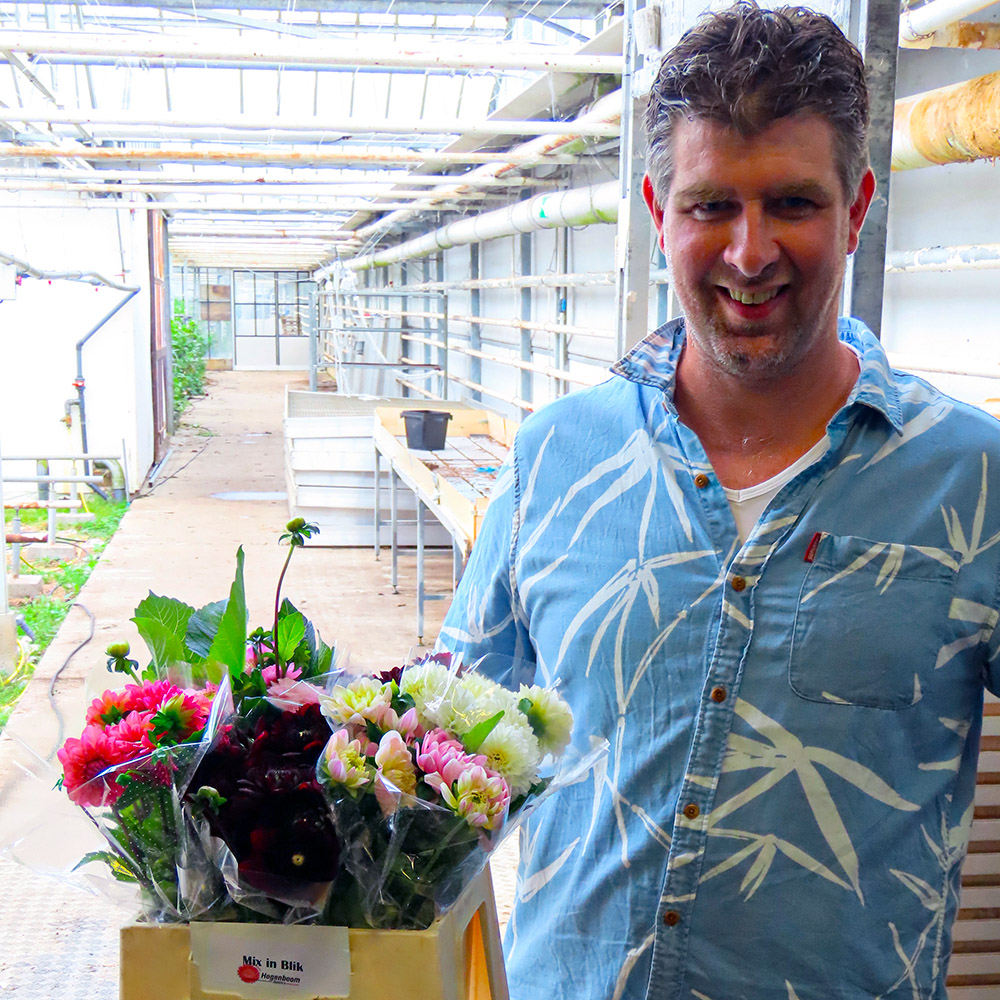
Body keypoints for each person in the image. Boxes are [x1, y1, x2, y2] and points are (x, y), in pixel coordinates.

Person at [438, 4, 1000, 998]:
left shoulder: (971, 480)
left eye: (790, 202)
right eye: (709, 207)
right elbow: (444, 751)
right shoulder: (557, 456)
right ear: (657, 212)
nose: (748, 253)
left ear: (856, 206)